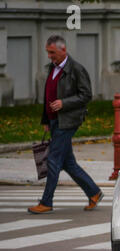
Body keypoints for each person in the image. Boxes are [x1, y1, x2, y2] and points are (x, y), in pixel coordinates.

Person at [28, 35, 103, 214]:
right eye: (48, 52)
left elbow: (86, 95)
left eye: (52, 52)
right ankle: (94, 192)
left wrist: (64, 103)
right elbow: (48, 95)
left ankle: (46, 202)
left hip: (68, 121)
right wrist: (46, 119)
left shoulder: (76, 69)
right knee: (68, 163)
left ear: (63, 50)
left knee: (53, 160)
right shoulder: (52, 68)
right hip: (54, 120)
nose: (49, 56)